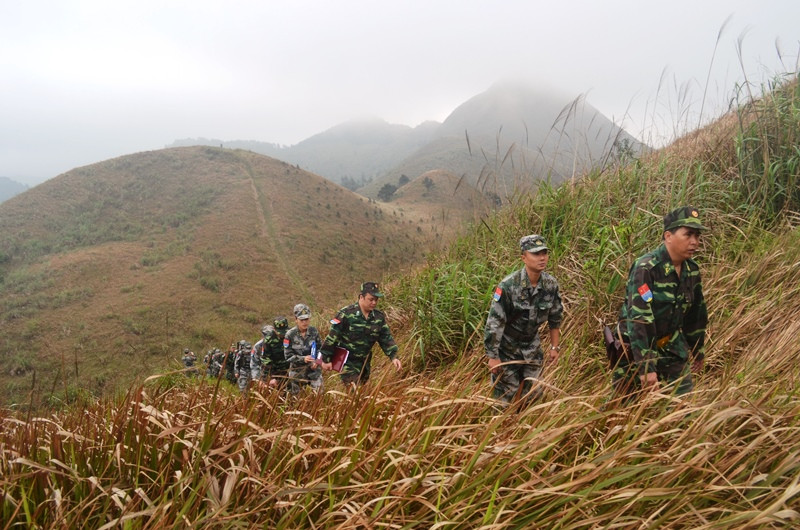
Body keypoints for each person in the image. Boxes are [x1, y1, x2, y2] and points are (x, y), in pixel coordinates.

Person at [613, 206, 708, 401]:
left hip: (671, 346)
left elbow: (696, 315)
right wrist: (646, 367)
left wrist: (698, 350)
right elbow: (639, 319)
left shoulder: (692, 270)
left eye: (697, 236)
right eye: (688, 234)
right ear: (668, 236)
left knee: (683, 406)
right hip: (636, 350)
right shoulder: (646, 268)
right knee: (625, 407)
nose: (694, 242)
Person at [484, 235, 563, 406]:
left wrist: (554, 347)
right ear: (523, 257)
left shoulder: (550, 285)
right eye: (535, 254)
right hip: (507, 350)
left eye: (544, 253)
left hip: (532, 349)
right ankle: (499, 430)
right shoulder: (508, 286)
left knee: (535, 394)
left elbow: (555, 317)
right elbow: (494, 322)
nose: (542, 258)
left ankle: (526, 429)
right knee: (505, 399)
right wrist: (493, 356)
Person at [321, 282, 402, 386]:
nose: (374, 303)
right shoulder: (346, 314)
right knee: (354, 391)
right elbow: (332, 337)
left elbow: (385, 338)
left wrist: (394, 356)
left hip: (365, 363)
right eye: (371, 299)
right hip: (348, 362)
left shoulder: (378, 317)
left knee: (361, 393)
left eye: (376, 300)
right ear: (361, 297)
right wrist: (326, 359)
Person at [284, 304, 323, 395]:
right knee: (296, 401)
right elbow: (288, 356)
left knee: (319, 397)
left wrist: (318, 361)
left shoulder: (314, 331)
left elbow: (320, 349)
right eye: (302, 320)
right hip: (297, 373)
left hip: (314, 371)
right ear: (296, 319)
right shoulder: (290, 335)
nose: (304, 322)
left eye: (307, 319)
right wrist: (303, 359)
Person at [251, 317, 290, 389]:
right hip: (272, 373)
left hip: (289, 371)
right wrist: (262, 380)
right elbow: (257, 364)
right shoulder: (261, 345)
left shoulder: (291, 335)